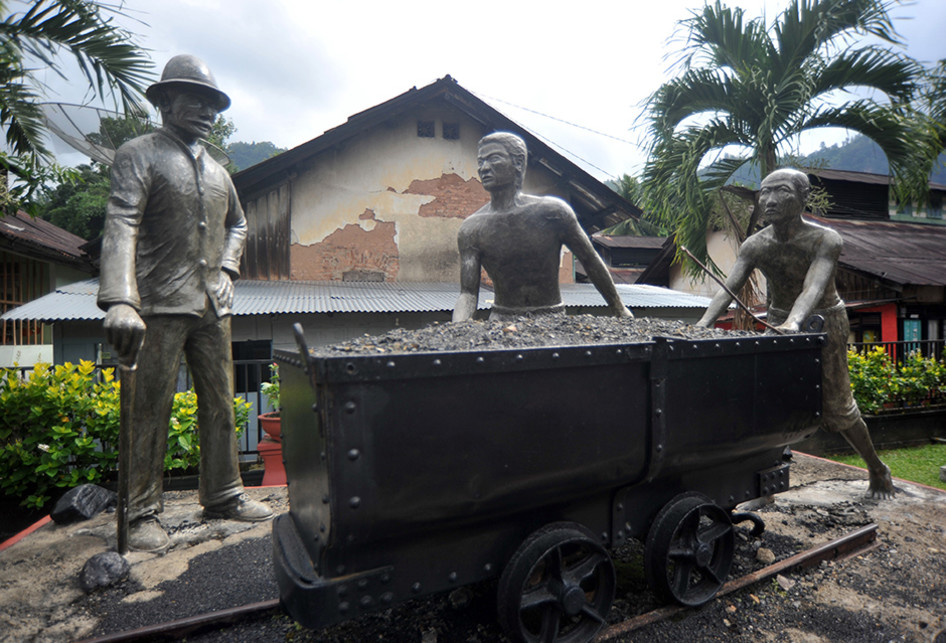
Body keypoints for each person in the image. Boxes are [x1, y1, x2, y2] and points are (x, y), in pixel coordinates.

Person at [98, 55, 272, 552]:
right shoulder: (140, 154)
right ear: (166, 102)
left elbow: (238, 224)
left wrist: (227, 269)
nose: (207, 112)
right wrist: (120, 300)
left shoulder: (218, 171)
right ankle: (141, 511)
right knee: (149, 406)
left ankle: (223, 493)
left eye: (214, 104)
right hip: (156, 303)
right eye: (196, 100)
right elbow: (122, 222)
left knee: (219, 401)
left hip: (213, 308)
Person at [697, 168, 894, 498]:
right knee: (771, 404)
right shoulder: (755, 244)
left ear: (803, 198)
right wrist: (703, 326)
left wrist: (795, 322)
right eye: (764, 192)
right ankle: (764, 485)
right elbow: (729, 288)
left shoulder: (825, 239)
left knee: (838, 408)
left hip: (825, 321)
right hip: (778, 322)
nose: (770, 200)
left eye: (781, 191)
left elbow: (813, 286)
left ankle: (876, 467)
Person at [453, 132, 632, 321]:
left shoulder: (553, 212)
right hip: (501, 320)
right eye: (480, 161)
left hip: (552, 317)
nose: (484, 168)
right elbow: (468, 294)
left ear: (518, 163)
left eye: (494, 159)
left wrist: (619, 308)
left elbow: (590, 260)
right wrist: (458, 330)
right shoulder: (471, 228)